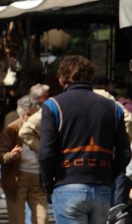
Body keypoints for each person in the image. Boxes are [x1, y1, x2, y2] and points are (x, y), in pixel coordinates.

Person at [39, 55, 131, 224]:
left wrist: (48, 184)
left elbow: (46, 153)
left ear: (62, 79)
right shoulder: (113, 107)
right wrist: (108, 177)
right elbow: (125, 153)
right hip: (102, 189)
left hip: (67, 187)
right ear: (90, 77)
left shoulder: (53, 105)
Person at [0, 95, 48, 224]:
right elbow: (1, 154)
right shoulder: (12, 129)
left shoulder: (41, 128)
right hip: (16, 179)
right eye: (30, 115)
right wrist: (11, 155)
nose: (34, 119)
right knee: (17, 219)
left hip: (38, 178)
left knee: (43, 219)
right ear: (23, 114)